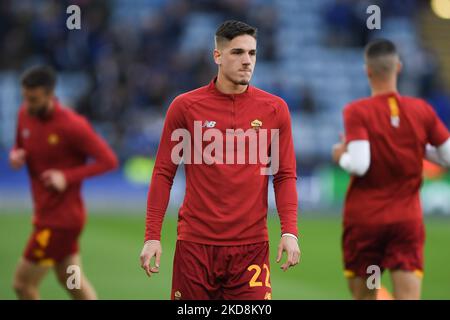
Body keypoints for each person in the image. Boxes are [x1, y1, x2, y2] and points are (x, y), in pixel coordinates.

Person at [140, 20, 300, 300]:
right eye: (237, 52)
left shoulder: (275, 109)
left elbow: (284, 175)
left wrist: (290, 232)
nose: (247, 61)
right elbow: (164, 173)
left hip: (251, 248)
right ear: (217, 56)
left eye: (252, 53)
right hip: (195, 247)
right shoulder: (185, 107)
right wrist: (152, 236)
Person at [332, 39, 450, 300]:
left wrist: (341, 156)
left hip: (366, 221)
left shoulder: (357, 111)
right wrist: (416, 147)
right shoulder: (422, 109)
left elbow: (360, 165)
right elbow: (447, 157)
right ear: (399, 67)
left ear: (367, 71)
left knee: (364, 296)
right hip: (406, 221)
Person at [9, 66, 118, 299]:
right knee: (72, 281)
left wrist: (66, 177)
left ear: (50, 95)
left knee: (22, 284)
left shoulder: (72, 125)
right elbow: (20, 145)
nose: (28, 104)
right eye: (25, 98)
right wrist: (16, 154)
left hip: (60, 220)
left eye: (34, 99)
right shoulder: (24, 114)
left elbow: (109, 161)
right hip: (47, 213)